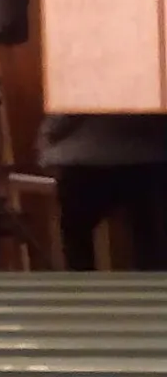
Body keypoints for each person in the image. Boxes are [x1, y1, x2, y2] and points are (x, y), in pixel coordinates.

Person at [35, 113, 167, 270]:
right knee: (150, 237)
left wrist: (46, 138)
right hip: (151, 154)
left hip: (85, 157)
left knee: (77, 235)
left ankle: (81, 286)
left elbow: (70, 109)